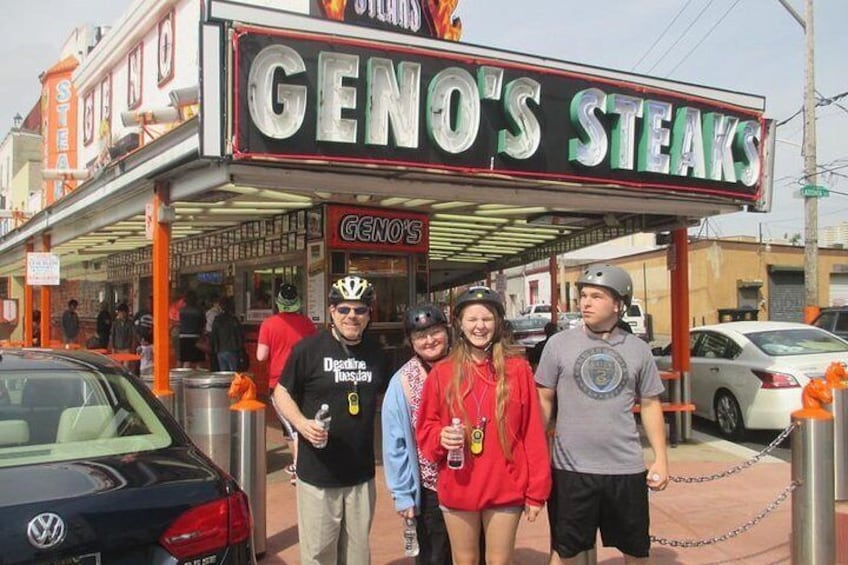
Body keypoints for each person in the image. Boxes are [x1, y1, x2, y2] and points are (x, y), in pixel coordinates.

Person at [535, 264, 669, 564]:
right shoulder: (558, 345)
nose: (585, 302)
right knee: (564, 551)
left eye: (596, 296)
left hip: (625, 468)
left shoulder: (638, 349)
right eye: (583, 295)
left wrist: (661, 458)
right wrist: (534, 454)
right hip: (570, 470)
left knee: (635, 551)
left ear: (619, 304)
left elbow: (650, 404)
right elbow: (543, 399)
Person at [416, 286, 551, 565]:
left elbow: (532, 434)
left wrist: (537, 491)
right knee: (464, 560)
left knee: (500, 561)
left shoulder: (518, 370)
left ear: (498, 322)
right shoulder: (442, 373)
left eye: (487, 319)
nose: (480, 326)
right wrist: (441, 437)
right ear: (460, 325)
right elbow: (425, 430)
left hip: (506, 484)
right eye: (472, 319)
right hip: (459, 483)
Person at [273, 275, 389, 565]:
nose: (352, 316)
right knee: (319, 555)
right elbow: (281, 392)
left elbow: (393, 397)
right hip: (318, 474)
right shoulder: (308, 349)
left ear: (369, 313)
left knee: (357, 556)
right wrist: (301, 425)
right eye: (344, 309)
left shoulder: (377, 353)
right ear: (332, 311)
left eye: (360, 310)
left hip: (360, 474)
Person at [382, 303, 453, 564]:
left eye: (435, 332)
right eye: (420, 336)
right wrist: (403, 494)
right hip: (430, 487)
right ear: (411, 342)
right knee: (435, 555)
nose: (429, 340)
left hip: (471, 483)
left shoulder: (466, 365)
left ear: (447, 332)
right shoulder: (402, 382)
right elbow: (395, 443)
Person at [257, 283, 317, 485]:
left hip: (280, 383)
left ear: (278, 302)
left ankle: (301, 470)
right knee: (293, 425)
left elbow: (260, 355)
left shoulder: (268, 324)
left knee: (293, 428)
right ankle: (297, 462)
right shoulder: (307, 323)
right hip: (306, 380)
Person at [210, 297, 244, 371]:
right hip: (232, 349)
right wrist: (241, 349)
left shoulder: (217, 319)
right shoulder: (234, 320)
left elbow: (213, 336)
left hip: (220, 350)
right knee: (233, 374)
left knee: (223, 374)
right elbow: (239, 335)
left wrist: (214, 349)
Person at [178, 291, 206, 369]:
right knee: (199, 361)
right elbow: (203, 323)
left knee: (186, 361)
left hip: (183, 336)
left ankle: (185, 378)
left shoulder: (182, 310)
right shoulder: (198, 310)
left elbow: (180, 322)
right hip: (196, 336)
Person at [205, 294, 224, 371]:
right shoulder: (214, 313)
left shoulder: (212, 312)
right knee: (214, 356)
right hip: (213, 335)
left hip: (212, 335)